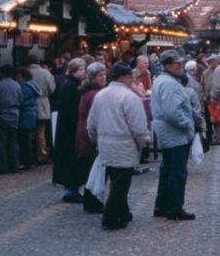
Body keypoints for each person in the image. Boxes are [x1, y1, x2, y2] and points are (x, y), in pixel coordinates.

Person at [87, 62, 151, 230]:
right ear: (123, 77)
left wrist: (95, 140)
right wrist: (144, 142)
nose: (132, 80)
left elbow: (91, 124)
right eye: (130, 76)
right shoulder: (129, 97)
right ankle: (110, 217)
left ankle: (124, 212)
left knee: (115, 179)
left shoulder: (101, 95)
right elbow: (138, 126)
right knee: (120, 184)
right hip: (124, 145)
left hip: (105, 145)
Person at [151, 50, 196, 221]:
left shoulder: (162, 80)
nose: (181, 66)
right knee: (177, 171)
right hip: (174, 132)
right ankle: (174, 207)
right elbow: (172, 112)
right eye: (178, 64)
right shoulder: (170, 83)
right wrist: (187, 124)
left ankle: (162, 205)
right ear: (169, 65)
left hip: (167, 131)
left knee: (167, 169)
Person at [53, 58, 87, 203]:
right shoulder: (70, 86)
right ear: (73, 71)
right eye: (81, 69)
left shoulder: (72, 85)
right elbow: (71, 110)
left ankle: (72, 189)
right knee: (71, 161)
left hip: (68, 129)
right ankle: (71, 191)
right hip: (69, 131)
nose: (83, 72)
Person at [77, 62, 107, 213]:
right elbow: (96, 118)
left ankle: (90, 201)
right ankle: (92, 202)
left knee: (89, 168)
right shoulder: (95, 94)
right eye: (100, 75)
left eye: (104, 74)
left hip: (84, 131)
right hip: (90, 134)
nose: (104, 78)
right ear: (92, 77)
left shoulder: (87, 92)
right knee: (93, 169)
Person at [0, 66, 23, 174]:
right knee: (14, 142)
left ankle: (1, 166)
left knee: (0, 142)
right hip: (14, 115)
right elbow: (21, 100)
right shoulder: (17, 85)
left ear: (1, 73)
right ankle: (14, 166)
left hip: (1, 115)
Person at [28, 55, 55, 165]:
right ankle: (41, 155)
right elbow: (52, 89)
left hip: (28, 104)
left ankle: (29, 155)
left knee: (29, 131)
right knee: (41, 131)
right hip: (43, 103)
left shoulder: (25, 72)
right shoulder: (46, 73)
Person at [16, 67, 40, 170]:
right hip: (32, 113)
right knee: (29, 137)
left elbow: (21, 99)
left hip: (25, 113)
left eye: (18, 75)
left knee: (24, 138)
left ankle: (26, 161)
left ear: (22, 76)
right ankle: (29, 160)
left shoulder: (24, 86)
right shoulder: (33, 84)